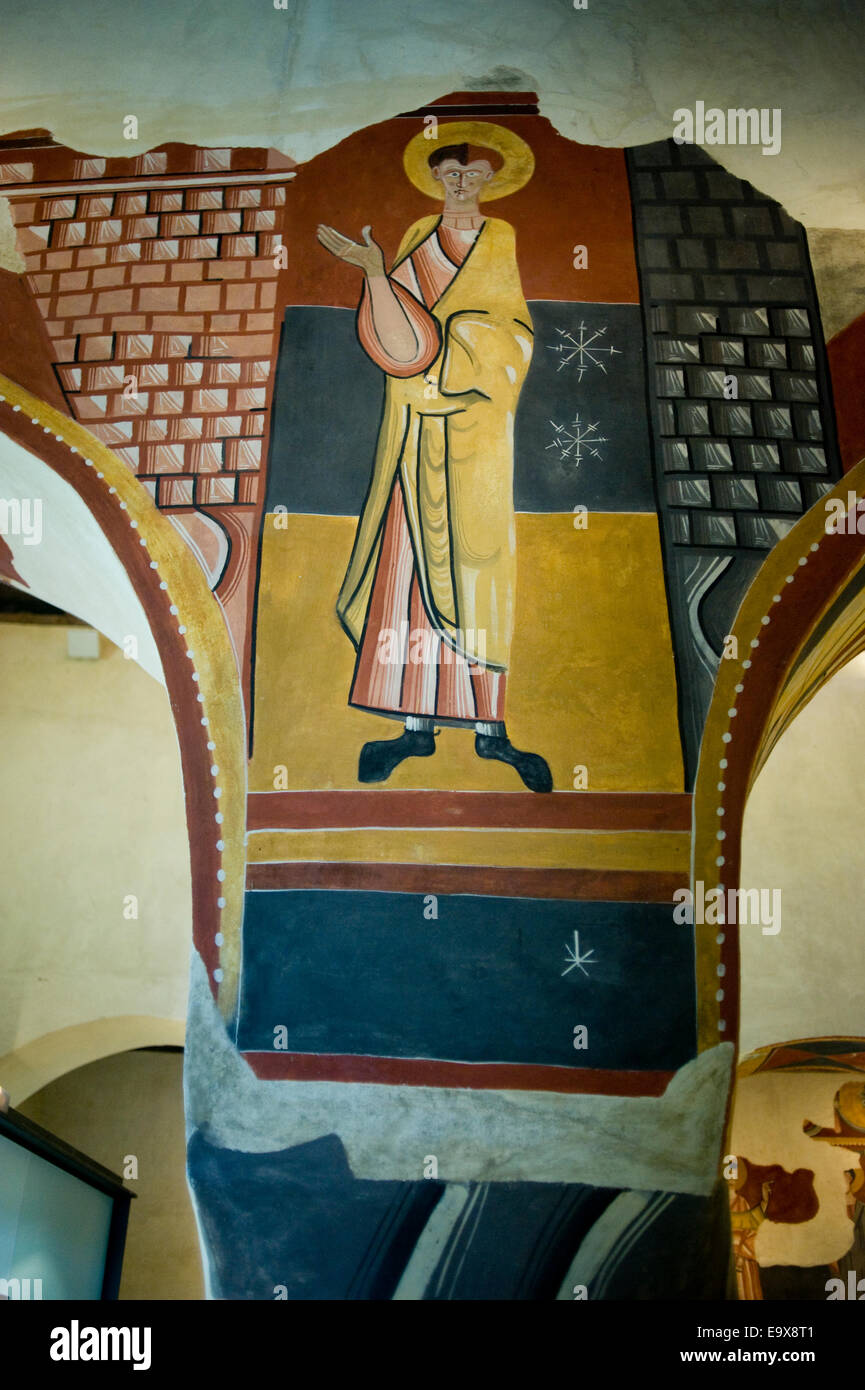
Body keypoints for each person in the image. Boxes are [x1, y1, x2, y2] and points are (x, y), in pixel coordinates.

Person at [316, 122, 552, 792]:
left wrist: (454, 349)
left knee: (474, 571)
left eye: (471, 174)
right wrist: (375, 278)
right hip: (414, 429)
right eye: (447, 172)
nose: (458, 182)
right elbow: (399, 339)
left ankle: (489, 732)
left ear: (490, 181)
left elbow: (509, 337)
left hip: (471, 436)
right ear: (433, 177)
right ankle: (413, 728)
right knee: (407, 569)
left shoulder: (496, 240)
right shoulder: (419, 237)